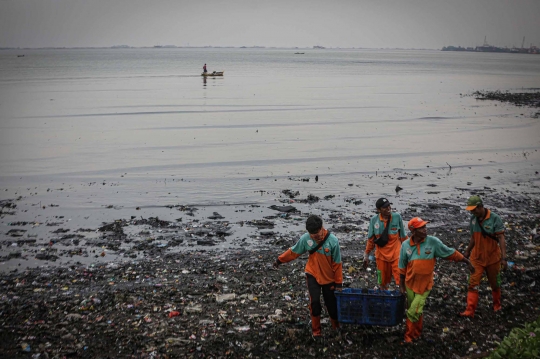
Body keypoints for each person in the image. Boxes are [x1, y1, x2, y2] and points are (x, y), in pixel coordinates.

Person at [399, 217, 474, 343]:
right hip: (410, 283)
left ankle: (408, 336)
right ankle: (417, 333)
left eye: (425, 226)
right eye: (421, 228)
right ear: (413, 231)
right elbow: (402, 266)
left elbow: (449, 252)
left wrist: (466, 261)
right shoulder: (405, 245)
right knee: (416, 308)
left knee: (413, 311)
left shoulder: (432, 242)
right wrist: (401, 285)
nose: (425, 230)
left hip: (425, 285)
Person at [273, 214, 343, 339]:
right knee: (315, 302)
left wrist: (338, 283)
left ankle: (336, 327)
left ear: (322, 227)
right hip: (312, 274)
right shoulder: (306, 239)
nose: (315, 235)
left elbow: (337, 263)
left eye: (317, 232)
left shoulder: (333, 241)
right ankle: (316, 331)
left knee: (331, 305)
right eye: (312, 233)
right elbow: (294, 252)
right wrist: (279, 260)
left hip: (329, 278)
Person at [460, 195, 507, 318]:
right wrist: (467, 252)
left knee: (495, 283)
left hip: (493, 258)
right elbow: (473, 238)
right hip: (477, 258)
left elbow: (501, 238)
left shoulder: (494, 218)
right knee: (473, 283)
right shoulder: (473, 219)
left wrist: (504, 258)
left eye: (474, 209)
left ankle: (497, 305)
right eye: (471, 210)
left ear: (481, 206)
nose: (472, 212)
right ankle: (470, 310)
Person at [363, 198, 408, 290]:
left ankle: (403, 299)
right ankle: (384, 297)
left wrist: (411, 251)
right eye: (384, 207)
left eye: (388, 205)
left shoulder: (397, 217)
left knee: (400, 278)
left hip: (396, 254)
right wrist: (366, 255)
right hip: (381, 256)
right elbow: (371, 239)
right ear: (379, 210)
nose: (388, 208)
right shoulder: (374, 220)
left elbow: (403, 236)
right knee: (382, 281)